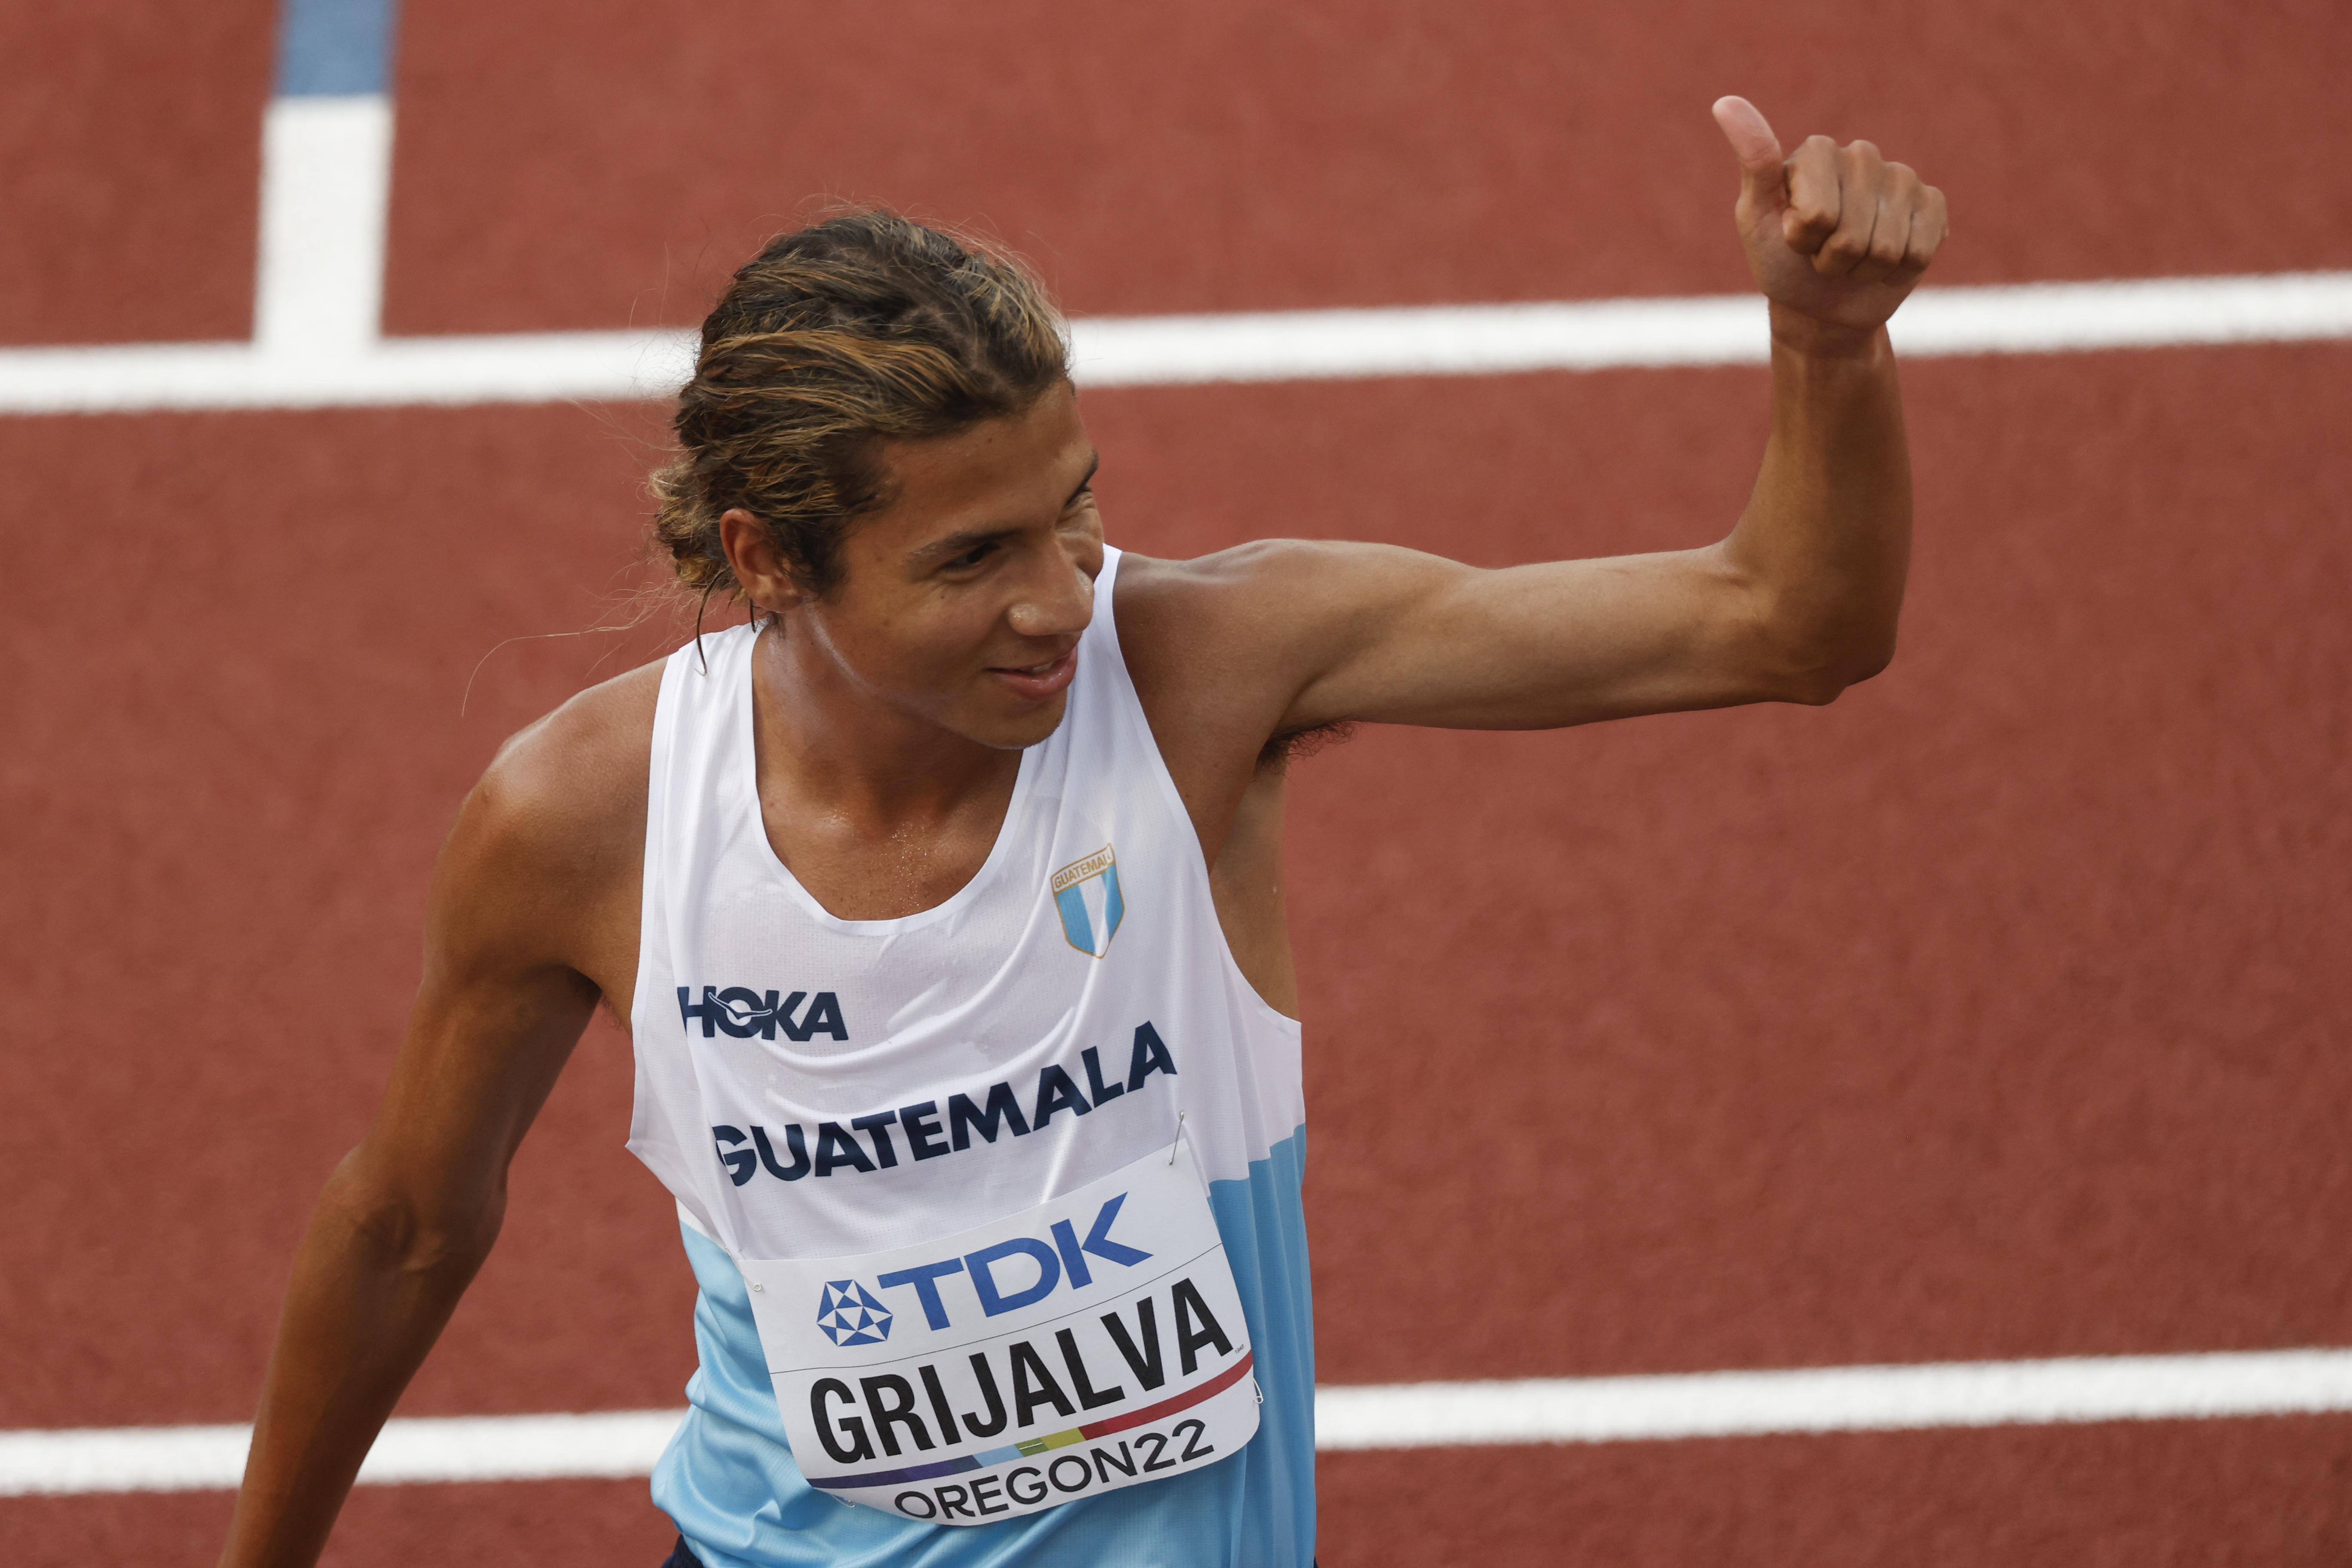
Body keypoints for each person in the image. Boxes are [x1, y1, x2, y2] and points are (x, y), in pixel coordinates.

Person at [219, 96, 1946, 1567]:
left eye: (1074, 509)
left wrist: (1828, 342)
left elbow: (1790, 625)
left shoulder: (1204, 671)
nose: (1061, 600)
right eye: (971, 558)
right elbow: (402, 1229)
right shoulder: (585, 822)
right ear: (764, 560)